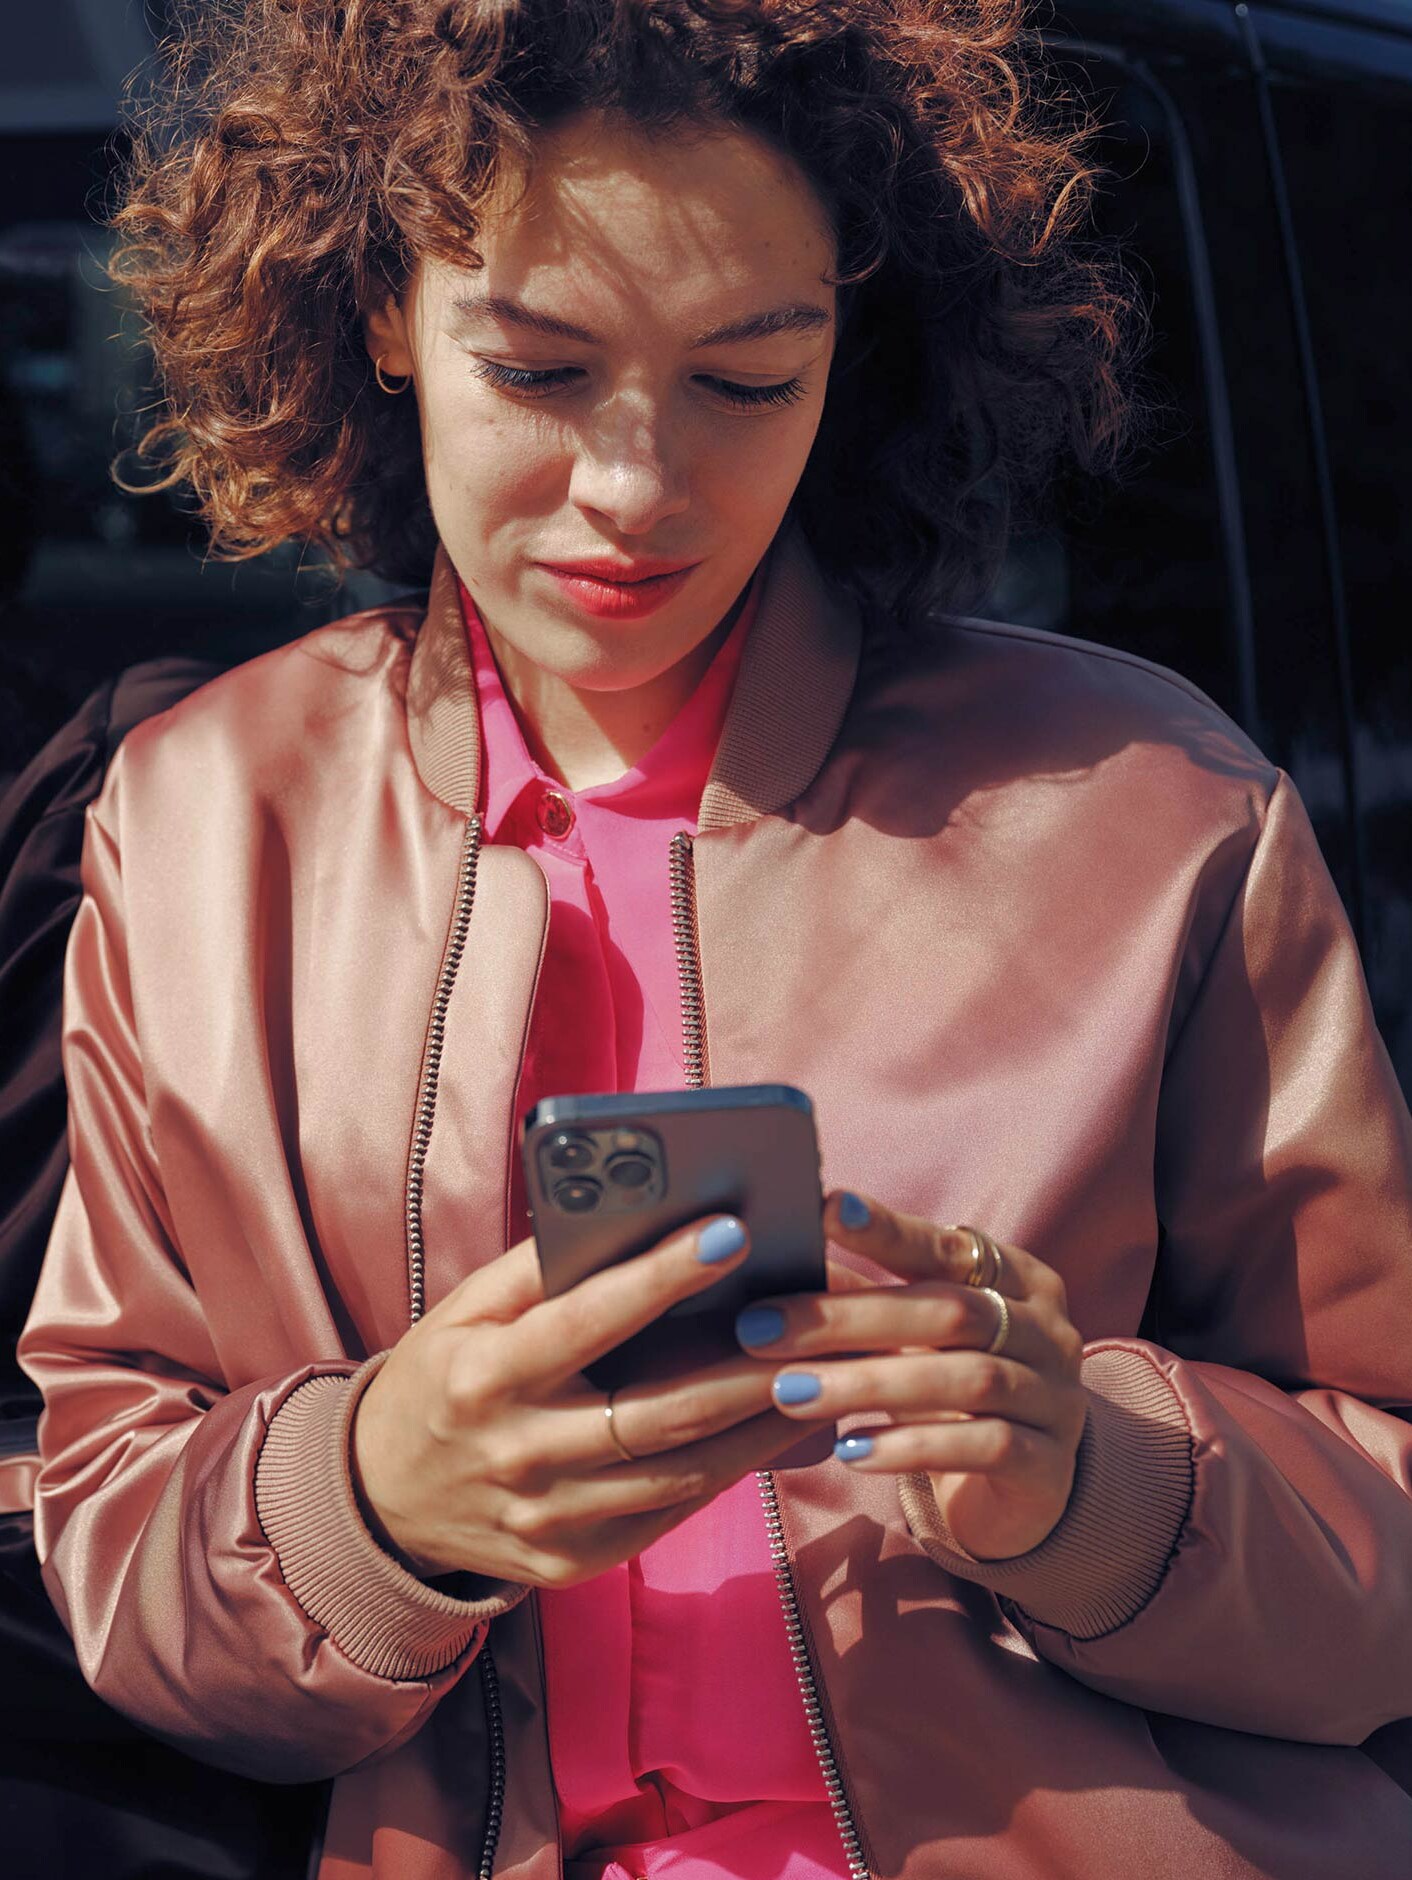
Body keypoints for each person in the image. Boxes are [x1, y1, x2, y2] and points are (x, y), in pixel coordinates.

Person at [16, 2, 1412, 1877]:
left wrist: (1088, 1477)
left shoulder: (1150, 809)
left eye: (750, 378)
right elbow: (111, 1517)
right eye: (537, 366)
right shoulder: (195, 823)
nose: (636, 486)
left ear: (857, 347)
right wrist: (372, 1499)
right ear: (380, 319)